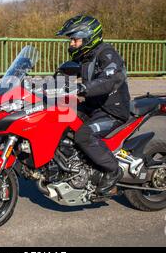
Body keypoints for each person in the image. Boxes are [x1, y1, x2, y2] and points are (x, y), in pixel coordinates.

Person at [56, 15, 131, 196]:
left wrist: (83, 87)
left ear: (89, 37)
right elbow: (65, 73)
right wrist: (37, 86)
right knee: (58, 118)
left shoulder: (107, 54)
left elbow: (109, 79)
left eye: (75, 40)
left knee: (84, 135)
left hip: (112, 111)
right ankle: (70, 164)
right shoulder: (86, 57)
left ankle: (113, 170)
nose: (72, 44)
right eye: (71, 40)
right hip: (92, 107)